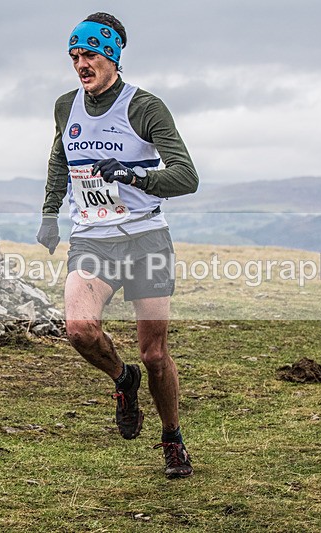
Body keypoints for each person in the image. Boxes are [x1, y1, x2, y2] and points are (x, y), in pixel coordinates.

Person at [36, 12, 199, 478]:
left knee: (154, 355)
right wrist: (50, 213)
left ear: (111, 56)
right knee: (79, 330)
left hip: (145, 237)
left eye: (88, 55)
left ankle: (172, 437)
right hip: (92, 238)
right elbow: (58, 160)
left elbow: (186, 177)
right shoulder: (66, 106)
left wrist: (134, 176)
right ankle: (121, 378)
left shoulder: (144, 107)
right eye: (73, 56)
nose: (80, 64)